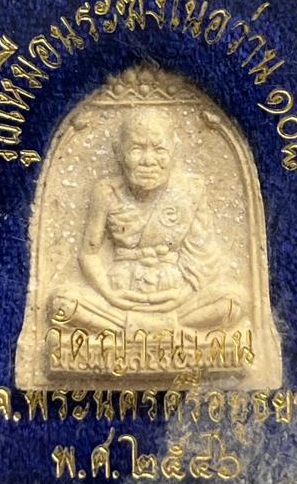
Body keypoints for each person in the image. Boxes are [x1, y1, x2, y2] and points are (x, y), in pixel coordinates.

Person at [48, 107, 240, 332]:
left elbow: (204, 256)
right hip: (121, 295)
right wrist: (109, 294)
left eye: (159, 149)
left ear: (174, 150)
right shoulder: (107, 192)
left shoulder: (190, 190)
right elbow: (89, 253)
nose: (148, 161)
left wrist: (183, 294)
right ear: (119, 152)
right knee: (63, 303)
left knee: (231, 303)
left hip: (175, 296)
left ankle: (133, 331)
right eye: (137, 149)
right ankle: (163, 330)